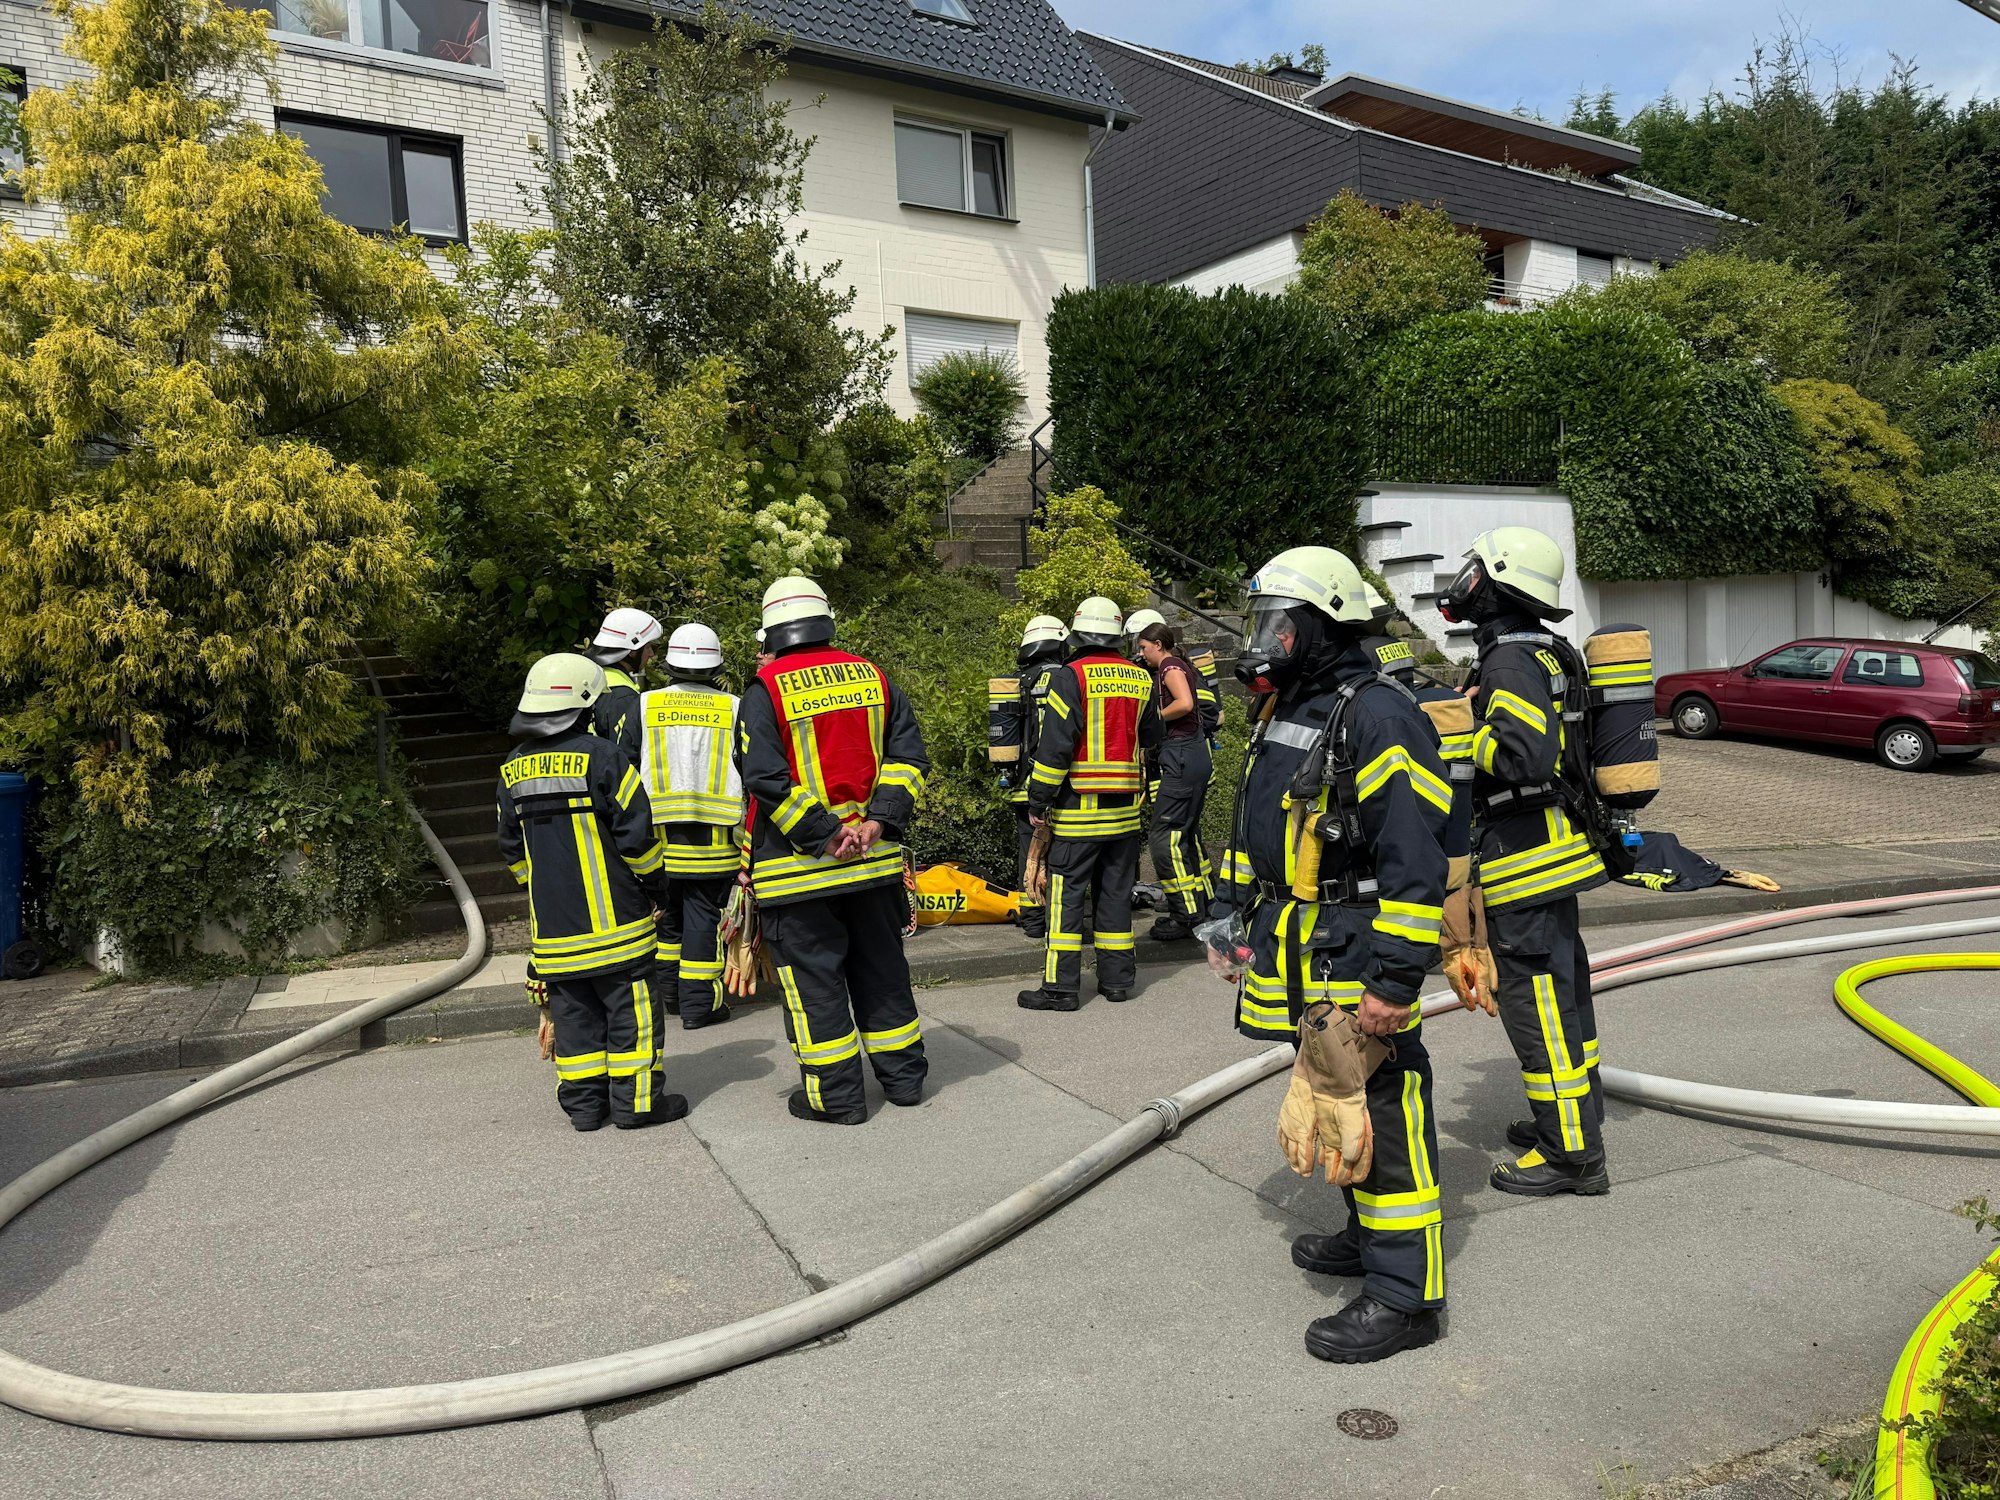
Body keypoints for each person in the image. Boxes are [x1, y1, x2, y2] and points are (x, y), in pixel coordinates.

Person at [1206, 546, 1451, 1363]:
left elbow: (1416, 861)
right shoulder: (1290, 706)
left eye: (1282, 622)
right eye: (1263, 621)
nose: (1267, 638)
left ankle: (1404, 1297)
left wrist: (1391, 980)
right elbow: (1256, 822)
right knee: (1334, 1098)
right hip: (1297, 943)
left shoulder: (1377, 713)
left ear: (1324, 625)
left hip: (1354, 948)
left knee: (1383, 1105)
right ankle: (1363, 1236)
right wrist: (1230, 917)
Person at [1438, 526, 1610, 1197]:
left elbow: (1523, 757)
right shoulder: (1549, 649)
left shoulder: (1507, 661)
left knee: (1535, 1004)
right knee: (1564, 995)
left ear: (1496, 581)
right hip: (1557, 849)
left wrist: (1455, 732)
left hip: (1525, 858)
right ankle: (1573, 1119)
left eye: (1476, 569)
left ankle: (1571, 1154)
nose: (1466, 581)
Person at [736, 576, 933, 1124]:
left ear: (773, 629)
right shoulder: (873, 677)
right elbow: (909, 759)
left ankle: (838, 1099)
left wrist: (826, 834)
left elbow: (765, 779)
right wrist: (876, 823)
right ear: (825, 619)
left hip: (800, 876)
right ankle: (905, 1082)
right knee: (883, 972)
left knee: (816, 987)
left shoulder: (766, 688)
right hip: (873, 864)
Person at [497, 653, 684, 1132]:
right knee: (632, 1013)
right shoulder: (604, 757)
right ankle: (637, 1105)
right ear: (585, 705)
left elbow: (513, 852)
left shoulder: (511, 771)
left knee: (574, 1015)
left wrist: (542, 890)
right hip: (617, 925)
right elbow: (637, 837)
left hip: (555, 933)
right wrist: (655, 887)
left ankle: (584, 1108)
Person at [1016, 596, 1162, 1011]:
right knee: (1115, 895)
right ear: (1117, 636)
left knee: (1065, 899)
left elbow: (1056, 747)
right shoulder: (1140, 678)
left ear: (1078, 634)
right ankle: (1117, 982)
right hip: (1125, 815)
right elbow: (1152, 737)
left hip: (1079, 813)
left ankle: (1061, 989)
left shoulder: (1070, 676)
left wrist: (1038, 799)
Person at [640, 622, 743, 1031]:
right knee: (703, 916)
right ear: (715, 666)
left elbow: (628, 768)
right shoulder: (734, 706)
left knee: (668, 918)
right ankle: (700, 1005)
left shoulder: (644, 704)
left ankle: (672, 998)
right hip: (714, 834)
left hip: (658, 835)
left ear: (669, 665)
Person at [988, 615, 1069, 940]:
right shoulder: (1067, 678)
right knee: (1063, 851)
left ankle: (1032, 918)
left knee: (1029, 850)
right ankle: (1057, 918)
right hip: (1058, 784)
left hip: (1020, 783)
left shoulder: (1017, 682)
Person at [1134, 621, 1213, 941]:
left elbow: (1185, 703)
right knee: (1184, 836)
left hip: (1181, 756)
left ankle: (1185, 914)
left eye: (1143, 647)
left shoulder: (1169, 666)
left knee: (1164, 839)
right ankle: (1202, 905)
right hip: (1190, 756)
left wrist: (1152, 717)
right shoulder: (1175, 664)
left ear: (1157, 645)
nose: (1141, 654)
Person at [587, 608, 664, 764]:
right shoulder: (623, 698)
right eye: (649, 647)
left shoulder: (589, 678)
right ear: (632, 652)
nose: (652, 655)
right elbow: (625, 758)